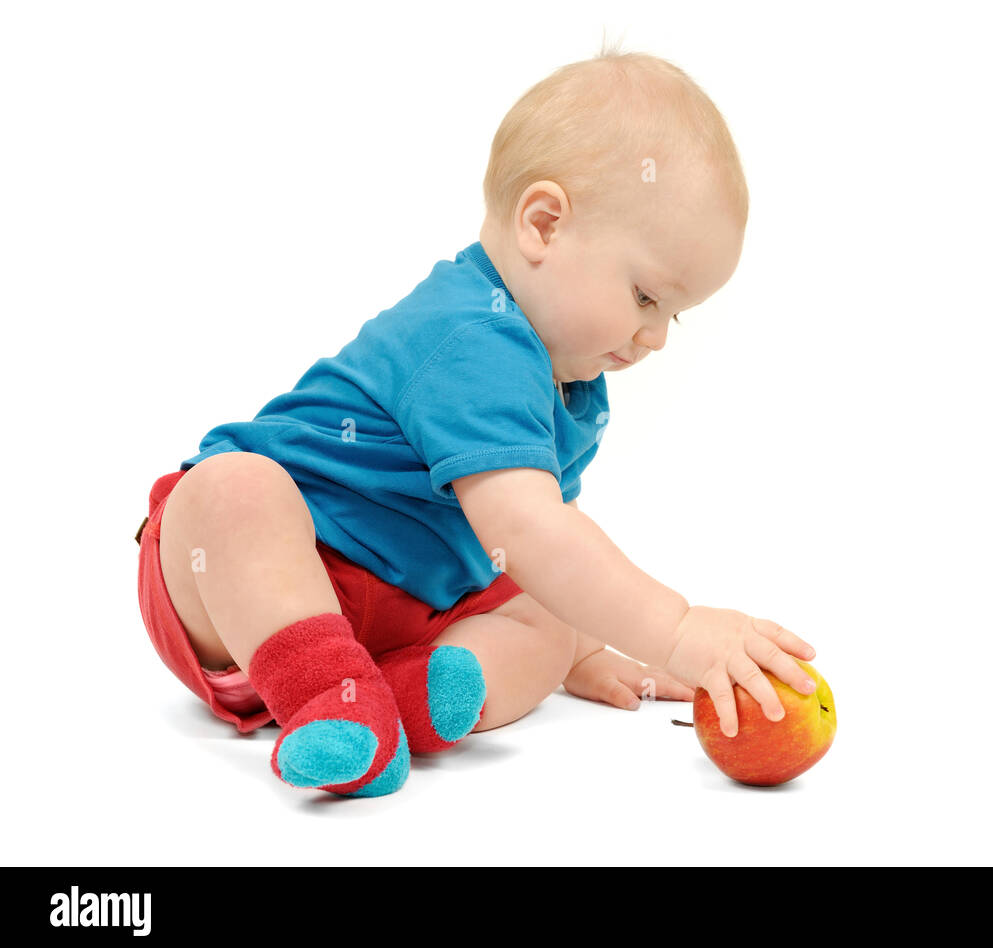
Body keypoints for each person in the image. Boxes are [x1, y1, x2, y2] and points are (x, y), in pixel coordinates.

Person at [134, 45, 817, 798]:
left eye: (675, 317)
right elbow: (524, 530)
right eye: (647, 297)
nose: (654, 337)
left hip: (403, 612)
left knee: (543, 624)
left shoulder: (571, 385)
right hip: (249, 589)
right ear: (545, 224)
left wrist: (580, 650)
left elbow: (546, 547)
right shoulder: (471, 333)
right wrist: (677, 629)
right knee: (237, 492)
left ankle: (400, 697)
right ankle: (330, 698)